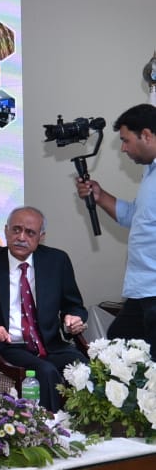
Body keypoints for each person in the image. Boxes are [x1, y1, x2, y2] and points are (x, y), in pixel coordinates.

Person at [0, 206, 88, 413]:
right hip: (5, 347)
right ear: (6, 231)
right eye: (16, 230)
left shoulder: (57, 261)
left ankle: (84, 427)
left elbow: (74, 304)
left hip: (49, 344)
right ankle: (47, 428)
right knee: (45, 371)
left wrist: (74, 317)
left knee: (84, 366)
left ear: (41, 236)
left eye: (30, 232)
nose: (21, 237)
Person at [75, 103, 156, 350]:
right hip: (142, 289)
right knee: (117, 345)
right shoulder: (150, 172)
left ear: (146, 135)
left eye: (126, 140)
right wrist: (100, 196)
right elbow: (136, 217)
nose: (123, 148)